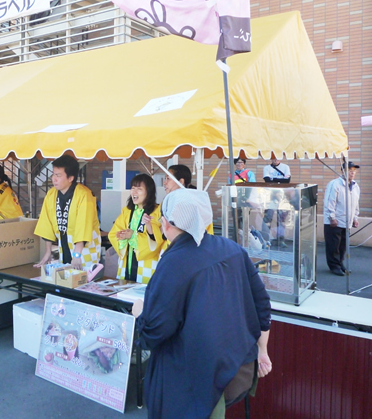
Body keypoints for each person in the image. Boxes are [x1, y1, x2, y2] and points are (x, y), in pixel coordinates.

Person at [131, 188, 272, 418]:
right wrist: (262, 350)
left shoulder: (173, 263)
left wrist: (140, 314)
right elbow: (262, 305)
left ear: (165, 224)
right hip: (238, 371)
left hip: (193, 384)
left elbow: (155, 331)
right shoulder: (233, 249)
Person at [34, 155, 101, 270]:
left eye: (58, 175)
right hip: (64, 245)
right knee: (66, 279)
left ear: (70, 178)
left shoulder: (84, 195)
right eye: (53, 174)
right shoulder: (51, 194)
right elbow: (46, 222)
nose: (53, 178)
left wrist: (77, 254)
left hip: (84, 250)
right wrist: (48, 251)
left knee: (83, 281)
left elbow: (83, 225)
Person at [109, 174, 165, 284]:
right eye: (133, 188)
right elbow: (113, 234)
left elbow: (157, 240)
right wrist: (122, 236)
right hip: (127, 262)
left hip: (147, 264)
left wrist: (133, 236)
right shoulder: (127, 211)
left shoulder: (157, 211)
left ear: (148, 192)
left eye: (139, 189)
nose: (134, 192)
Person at [323, 161, 361, 276]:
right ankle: (334, 266)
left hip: (347, 221)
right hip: (335, 221)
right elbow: (330, 202)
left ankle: (340, 263)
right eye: (350, 171)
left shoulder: (355, 186)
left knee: (342, 245)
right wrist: (331, 217)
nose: (352, 173)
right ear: (343, 171)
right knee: (333, 245)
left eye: (354, 171)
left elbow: (356, 203)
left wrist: (355, 217)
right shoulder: (334, 184)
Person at [163, 164, 213, 235]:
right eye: (165, 179)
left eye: (168, 178)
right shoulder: (169, 202)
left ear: (180, 182)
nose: (165, 183)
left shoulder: (193, 203)